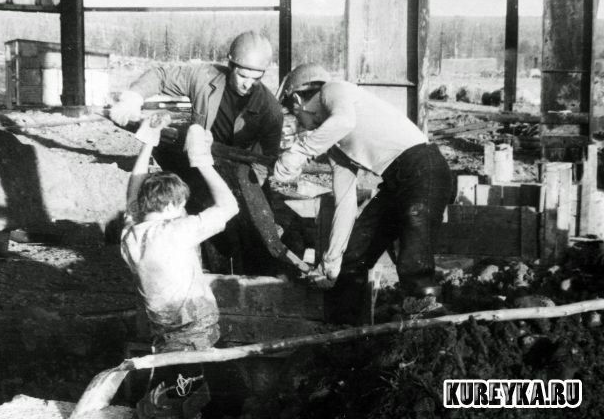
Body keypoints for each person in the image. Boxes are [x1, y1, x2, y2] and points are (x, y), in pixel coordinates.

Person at [273, 63, 454, 323]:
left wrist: (300, 151)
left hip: (425, 168)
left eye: (294, 114)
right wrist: (331, 261)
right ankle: (344, 328)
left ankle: (429, 316)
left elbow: (344, 121)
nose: (300, 124)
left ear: (298, 100)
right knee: (355, 254)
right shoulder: (336, 148)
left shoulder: (333, 90)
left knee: (415, 233)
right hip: (396, 183)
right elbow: (344, 202)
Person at [111, 31, 286, 275]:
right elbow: (160, 76)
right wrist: (133, 97)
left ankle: (261, 272)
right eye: (242, 75)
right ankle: (213, 271)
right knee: (206, 218)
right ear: (230, 65)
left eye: (255, 78)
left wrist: (245, 196)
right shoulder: (204, 76)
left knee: (253, 232)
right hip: (199, 158)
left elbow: (262, 165)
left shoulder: (270, 110)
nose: (247, 84)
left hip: (239, 171)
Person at [120, 114, 238, 417]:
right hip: (195, 338)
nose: (185, 211)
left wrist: (149, 141)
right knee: (189, 403)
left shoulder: (131, 235)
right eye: (182, 205)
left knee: (186, 395)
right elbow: (229, 206)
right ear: (171, 205)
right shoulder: (176, 231)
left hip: (166, 336)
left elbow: (133, 192)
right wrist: (202, 161)